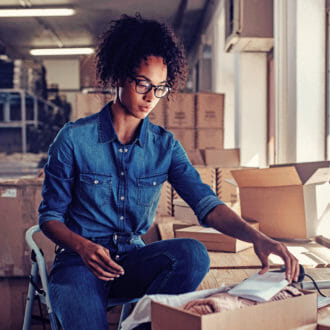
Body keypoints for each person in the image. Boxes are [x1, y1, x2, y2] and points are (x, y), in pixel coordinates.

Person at [38, 14, 299, 330]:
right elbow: (50, 218)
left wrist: (256, 237)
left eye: (160, 88)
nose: (150, 97)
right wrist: (82, 246)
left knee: (192, 254)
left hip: (131, 263)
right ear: (119, 75)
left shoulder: (165, 146)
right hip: (79, 265)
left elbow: (206, 204)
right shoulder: (73, 139)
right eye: (142, 84)